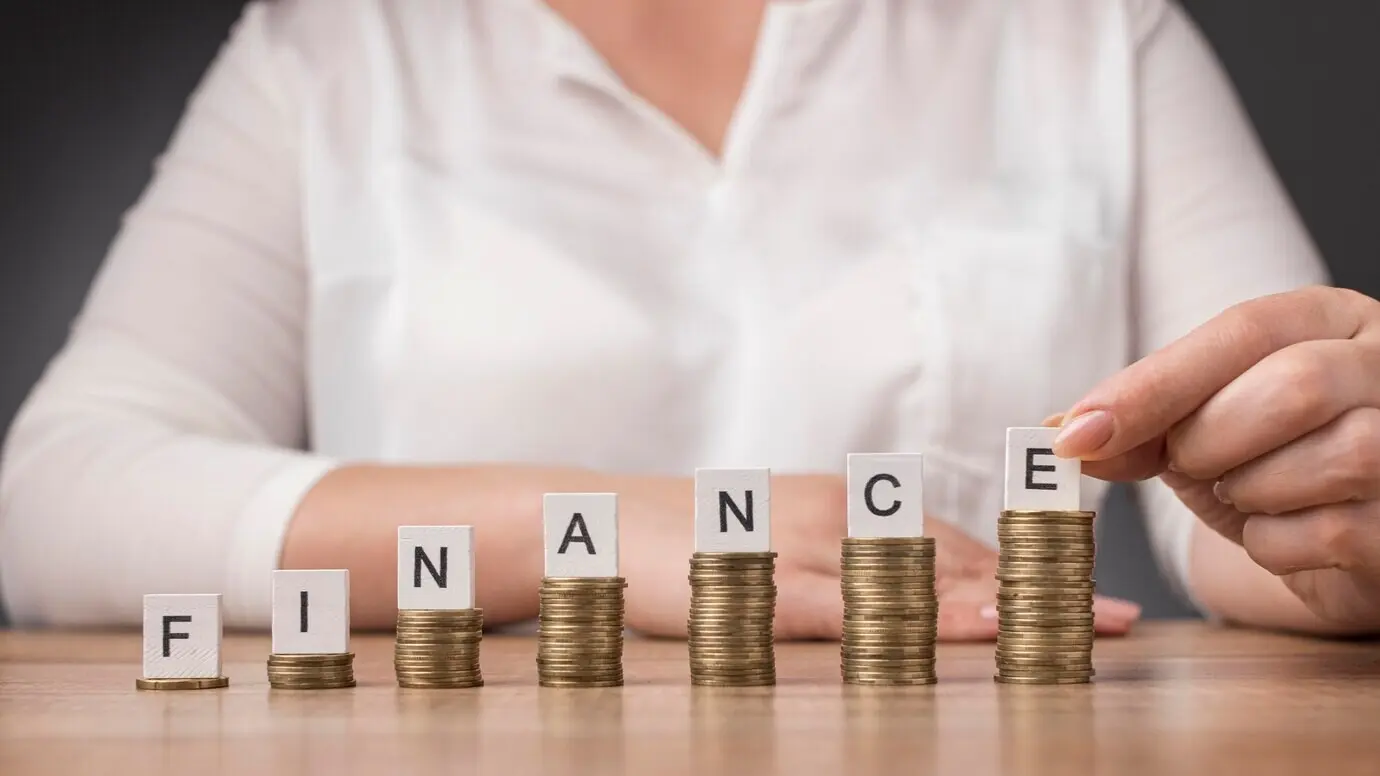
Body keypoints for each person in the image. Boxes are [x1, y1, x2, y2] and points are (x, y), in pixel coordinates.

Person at [0, 0, 1373, 640]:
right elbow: (56, 492)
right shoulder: (337, 50)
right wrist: (586, 528)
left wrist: (1340, 512)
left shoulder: (1087, 33)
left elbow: (1238, 525)